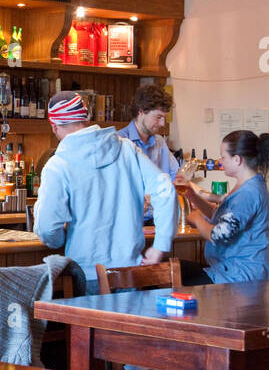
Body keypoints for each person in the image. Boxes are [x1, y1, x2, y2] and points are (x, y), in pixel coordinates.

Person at [33, 91, 176, 293]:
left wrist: (59, 239)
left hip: (87, 273)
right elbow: (165, 187)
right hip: (130, 271)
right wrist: (160, 244)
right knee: (129, 316)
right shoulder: (127, 149)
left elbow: (48, 228)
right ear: (87, 119)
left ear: (54, 126)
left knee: (90, 316)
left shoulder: (58, 165)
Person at [175, 130, 269, 284]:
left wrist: (196, 219)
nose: (221, 161)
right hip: (226, 270)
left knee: (169, 273)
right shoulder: (245, 186)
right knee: (174, 268)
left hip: (240, 276)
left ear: (237, 159)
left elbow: (219, 234)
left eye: (223, 157)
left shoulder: (248, 193)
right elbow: (219, 215)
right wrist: (192, 195)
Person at [116, 84, 180, 222]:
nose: (162, 123)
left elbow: (177, 178)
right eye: (158, 117)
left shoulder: (160, 143)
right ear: (141, 112)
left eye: (164, 118)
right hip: (129, 221)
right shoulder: (119, 142)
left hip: (158, 219)